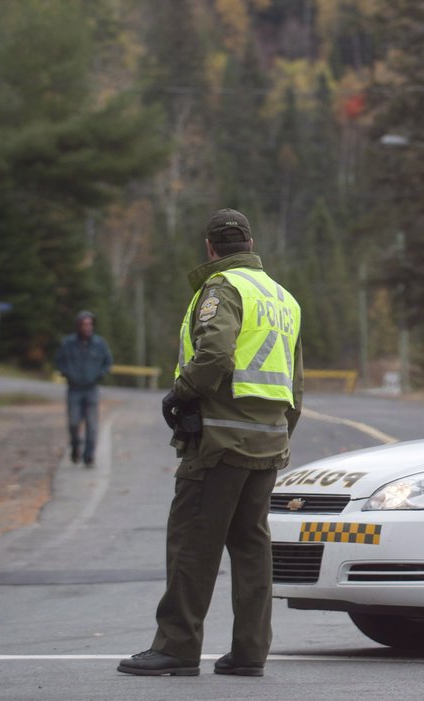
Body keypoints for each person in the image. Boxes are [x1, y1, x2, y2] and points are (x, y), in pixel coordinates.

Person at [118, 209, 303, 678]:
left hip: (220, 439)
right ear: (251, 242)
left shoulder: (223, 289)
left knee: (192, 542)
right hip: (267, 443)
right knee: (251, 546)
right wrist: (279, 435)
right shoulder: (284, 298)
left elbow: (215, 353)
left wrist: (181, 394)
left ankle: (177, 648)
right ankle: (250, 652)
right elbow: (295, 387)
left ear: (211, 248)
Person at [54, 310, 112, 467]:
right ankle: (75, 447)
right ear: (78, 326)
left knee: (92, 425)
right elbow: (59, 362)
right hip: (74, 389)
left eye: (90, 324)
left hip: (91, 389)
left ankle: (89, 456)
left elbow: (108, 362)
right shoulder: (68, 343)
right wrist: (67, 374)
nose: (88, 327)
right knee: (73, 423)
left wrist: (100, 374)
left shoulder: (99, 344)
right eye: (84, 324)